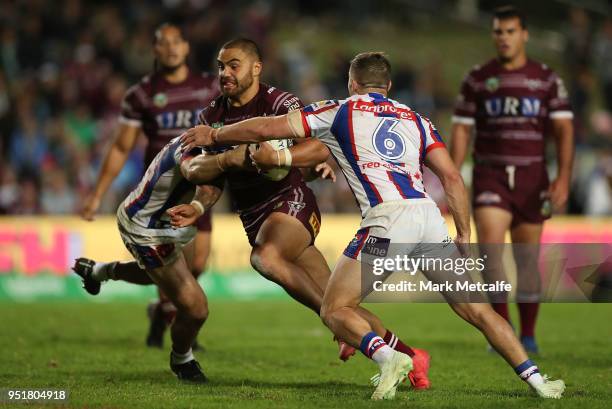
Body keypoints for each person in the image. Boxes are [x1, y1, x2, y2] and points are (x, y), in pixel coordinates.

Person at [178, 51, 566, 400]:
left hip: (387, 224)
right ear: (390, 85)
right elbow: (451, 178)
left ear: (352, 83)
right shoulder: (417, 119)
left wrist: (215, 134)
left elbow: (266, 127)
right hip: (429, 220)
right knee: (481, 313)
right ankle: (538, 381)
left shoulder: (340, 109)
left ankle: (389, 358)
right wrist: (464, 234)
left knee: (335, 308)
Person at [168, 38, 432, 389]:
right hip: (254, 217)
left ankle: (364, 342)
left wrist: (300, 161)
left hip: (291, 203)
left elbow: (318, 144)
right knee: (338, 304)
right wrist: (199, 205)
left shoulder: (281, 102)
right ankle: (412, 358)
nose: (225, 73)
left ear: (255, 68)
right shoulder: (212, 116)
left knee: (266, 258)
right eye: (220, 66)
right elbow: (214, 179)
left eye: (234, 65)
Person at [79, 23, 219, 348]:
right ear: (154, 50)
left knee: (197, 265)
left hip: (201, 185)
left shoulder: (209, 87)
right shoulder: (141, 94)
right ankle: (181, 324)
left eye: (177, 42)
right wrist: (97, 193)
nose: (171, 48)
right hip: (163, 192)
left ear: (186, 47)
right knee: (172, 264)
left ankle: (161, 310)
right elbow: (120, 147)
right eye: (163, 43)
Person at [450, 6, 574, 353]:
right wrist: (453, 174)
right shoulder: (477, 78)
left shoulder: (546, 79)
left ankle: (529, 334)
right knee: (491, 252)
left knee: (526, 259)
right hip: (490, 174)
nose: (503, 38)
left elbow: (564, 129)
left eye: (509, 31)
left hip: (533, 176)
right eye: (498, 32)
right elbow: (461, 129)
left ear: (524, 34)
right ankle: (502, 330)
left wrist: (564, 177)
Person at [76, 136, 223, 383]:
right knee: (196, 308)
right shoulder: (193, 146)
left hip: (166, 223)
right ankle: (182, 360)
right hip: (146, 228)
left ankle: (99, 271)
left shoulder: (210, 141)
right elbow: (197, 174)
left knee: (158, 276)